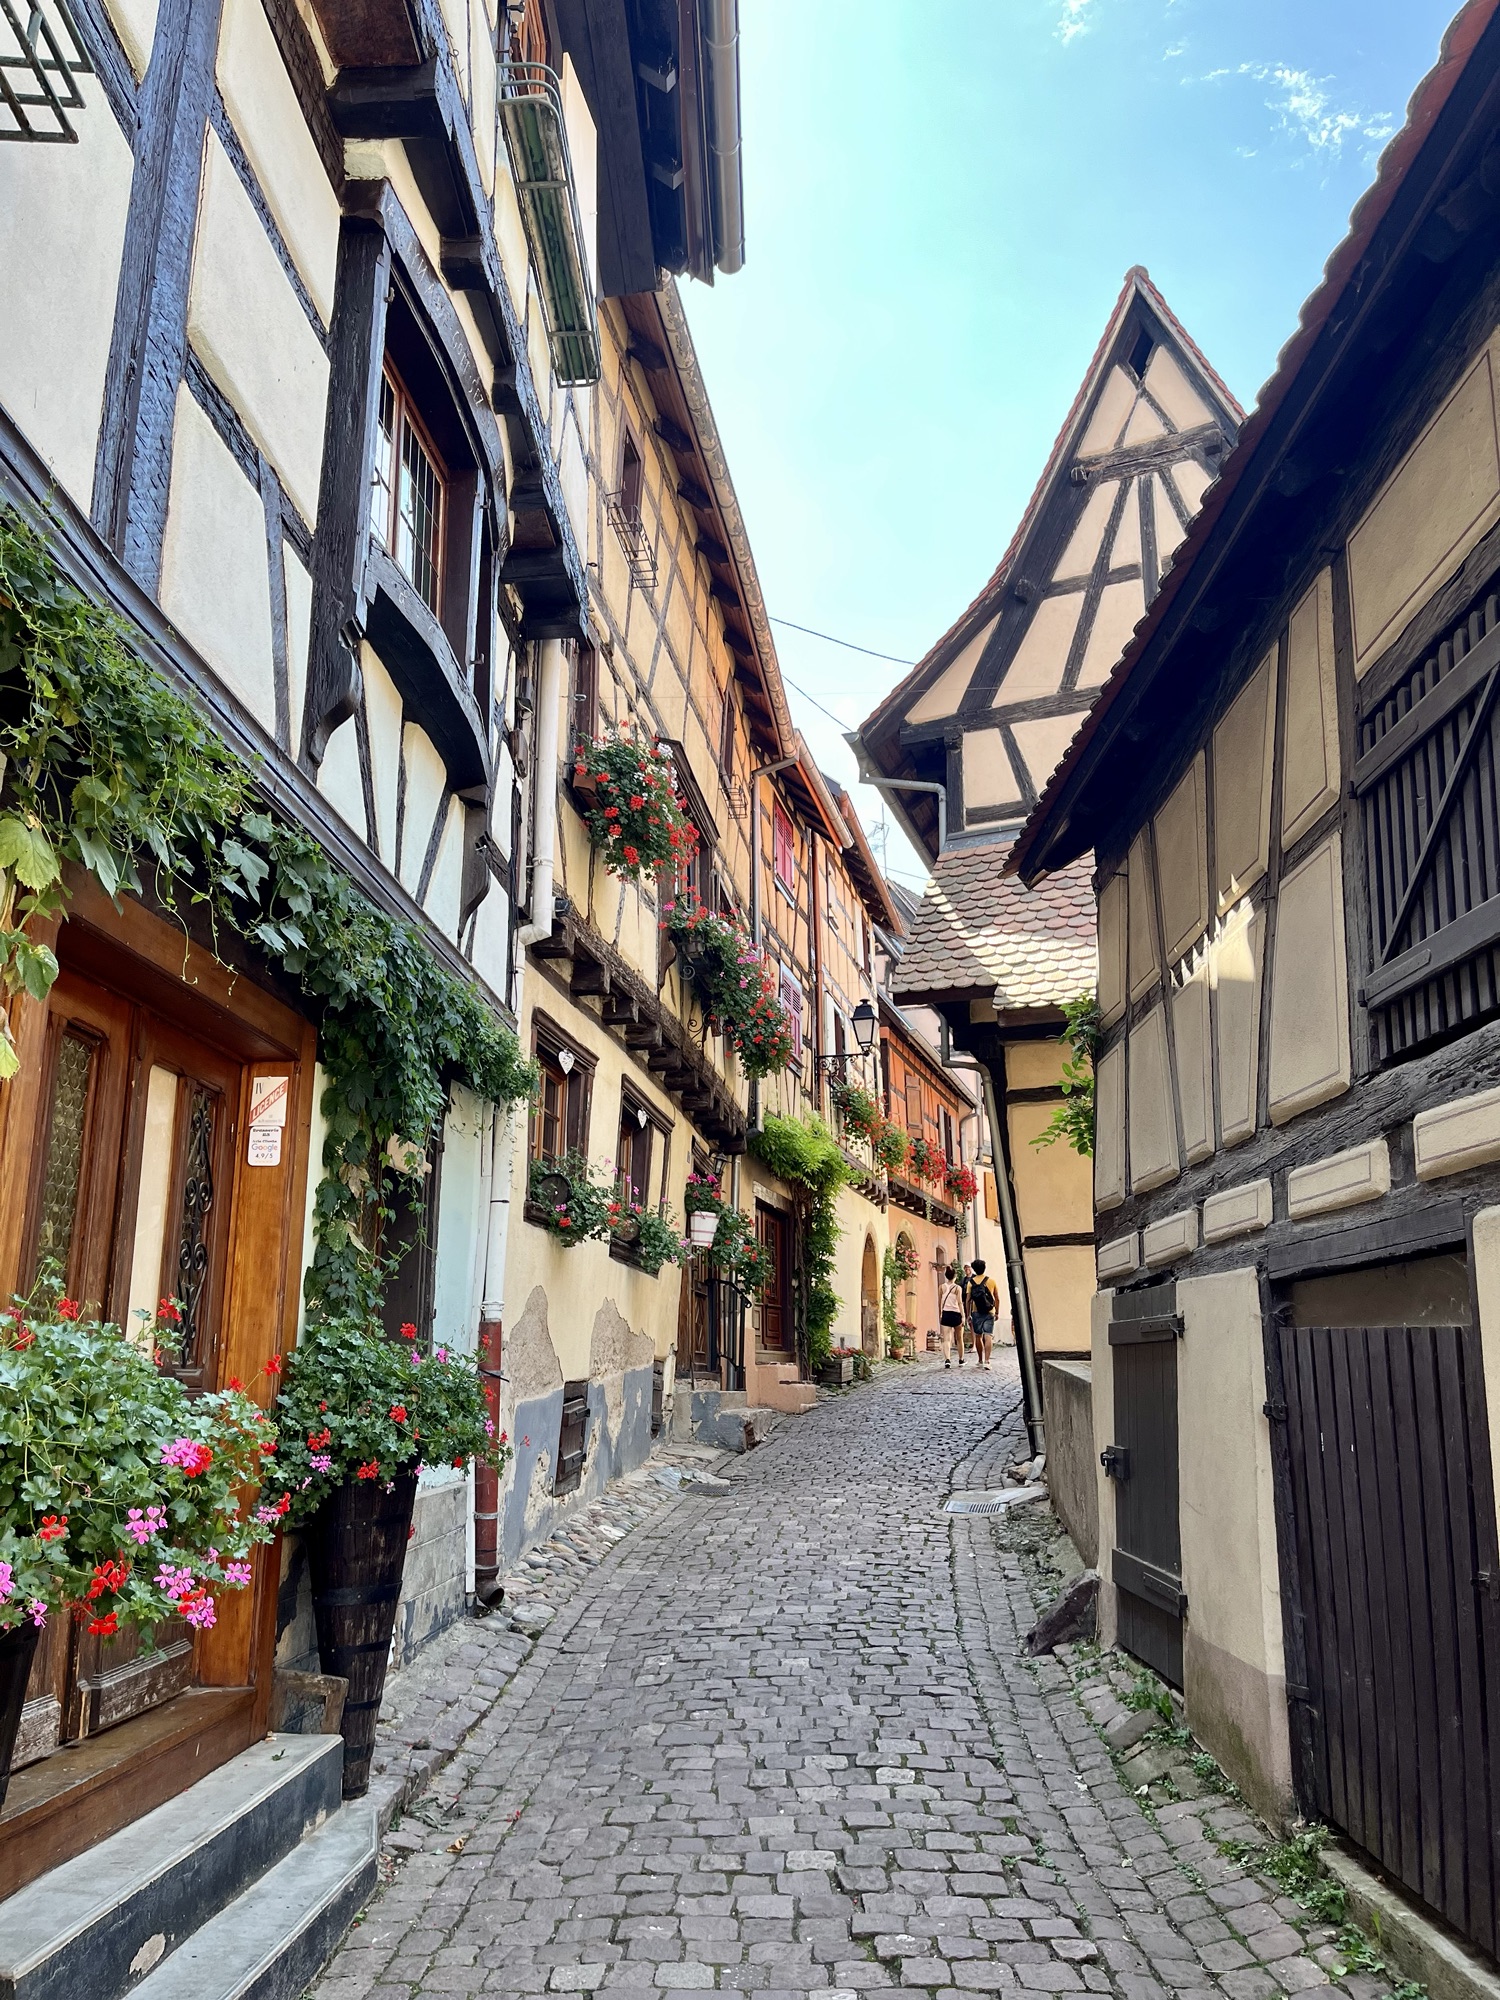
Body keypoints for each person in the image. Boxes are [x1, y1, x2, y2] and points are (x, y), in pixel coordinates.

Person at [967, 1257, 1001, 1370]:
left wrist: (968, 1314)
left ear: (974, 1269)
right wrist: (997, 1311)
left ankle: (980, 1360)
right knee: (988, 1335)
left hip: (976, 1312)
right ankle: (987, 1361)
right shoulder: (991, 1281)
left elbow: (968, 1300)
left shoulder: (971, 1282)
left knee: (978, 1336)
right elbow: (997, 1298)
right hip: (989, 1311)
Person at [938, 1265, 965, 1369]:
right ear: (955, 1276)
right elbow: (960, 1302)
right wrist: (963, 1316)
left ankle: (947, 1360)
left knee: (946, 1339)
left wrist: (940, 1313)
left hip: (946, 1314)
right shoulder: (957, 1288)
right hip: (956, 1314)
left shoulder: (941, 1287)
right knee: (959, 1338)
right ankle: (961, 1359)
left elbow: (939, 1302)